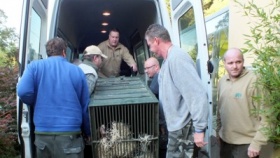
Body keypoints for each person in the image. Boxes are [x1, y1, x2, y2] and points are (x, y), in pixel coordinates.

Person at [17, 37, 90, 158]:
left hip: (42, 133)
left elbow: (23, 92)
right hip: (70, 134)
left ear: (48, 52)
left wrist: (36, 101)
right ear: (64, 52)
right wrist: (88, 132)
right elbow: (84, 106)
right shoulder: (77, 71)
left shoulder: (34, 67)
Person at [145, 24, 209, 157]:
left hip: (183, 127)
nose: (151, 49)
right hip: (176, 127)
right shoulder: (167, 60)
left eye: (150, 45)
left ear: (157, 40)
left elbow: (197, 94)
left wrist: (199, 129)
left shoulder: (177, 58)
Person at [217, 48, 268, 158]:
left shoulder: (255, 81)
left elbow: (267, 115)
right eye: (230, 63)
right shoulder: (222, 81)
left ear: (243, 62)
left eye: (238, 62)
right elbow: (220, 110)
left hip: (246, 145)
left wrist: (257, 143)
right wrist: (218, 132)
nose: (235, 66)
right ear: (224, 64)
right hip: (225, 141)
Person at [144, 57, 168, 158]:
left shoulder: (158, 77)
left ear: (156, 67)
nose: (145, 71)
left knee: (163, 146)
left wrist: (161, 124)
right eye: (144, 68)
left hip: (165, 121)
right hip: (167, 119)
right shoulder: (161, 75)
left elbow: (151, 99)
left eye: (147, 68)